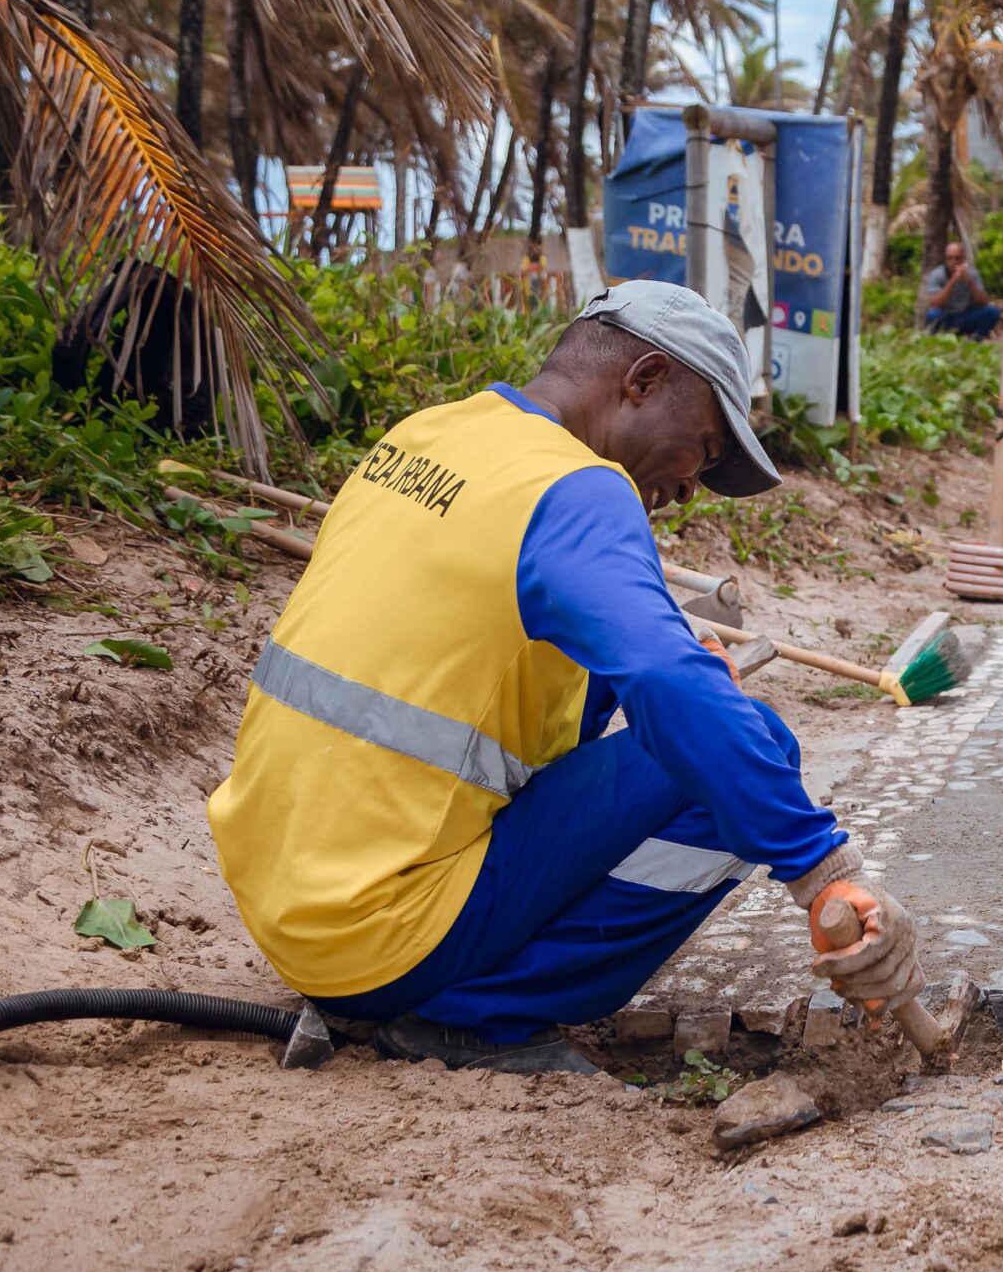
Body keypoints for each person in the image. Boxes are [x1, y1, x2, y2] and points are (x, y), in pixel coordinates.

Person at [209, 282, 928, 1072]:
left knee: (679, 705)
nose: (692, 486)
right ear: (643, 379)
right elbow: (670, 687)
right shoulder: (579, 490)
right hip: (383, 941)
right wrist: (824, 870)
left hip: (287, 909)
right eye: (704, 447)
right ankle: (471, 1016)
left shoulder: (430, 435)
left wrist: (674, 660)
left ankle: (422, 977)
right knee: (748, 740)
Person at [921, 241, 1001, 338]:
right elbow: (935, 303)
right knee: (933, 315)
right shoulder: (937, 274)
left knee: (992, 312)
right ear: (945, 259)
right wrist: (953, 280)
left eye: (957, 258)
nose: (953, 262)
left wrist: (970, 282)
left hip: (966, 315)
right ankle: (940, 339)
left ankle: (976, 339)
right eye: (949, 258)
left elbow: (983, 301)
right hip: (947, 316)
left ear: (963, 259)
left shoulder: (972, 274)